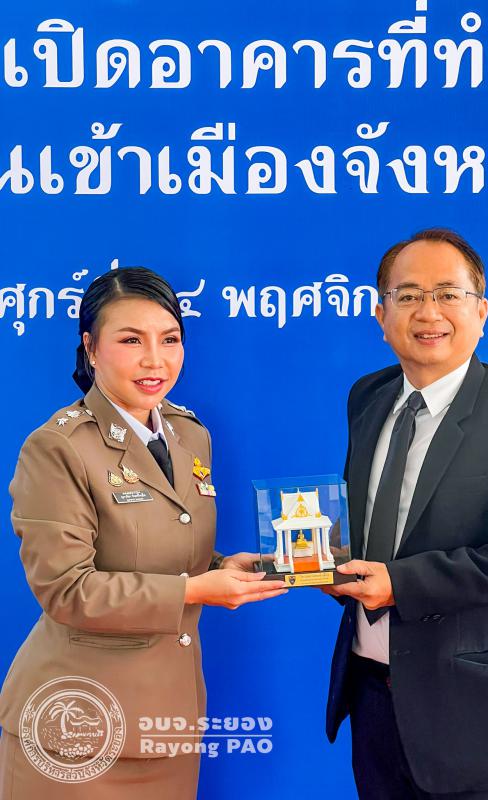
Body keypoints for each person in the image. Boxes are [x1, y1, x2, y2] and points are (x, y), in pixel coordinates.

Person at [0, 267, 287, 798]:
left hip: (167, 723)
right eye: (131, 340)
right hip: (75, 727)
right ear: (91, 348)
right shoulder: (59, 447)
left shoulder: (189, 434)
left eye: (170, 339)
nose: (156, 360)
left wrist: (221, 567)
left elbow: (166, 547)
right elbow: (67, 589)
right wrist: (195, 590)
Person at [324, 228, 488, 799]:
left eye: (447, 293)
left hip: (478, 710)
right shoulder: (367, 397)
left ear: (481, 311)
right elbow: (378, 518)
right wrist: (327, 559)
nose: (428, 312)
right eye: (409, 295)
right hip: (374, 697)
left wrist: (401, 583)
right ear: (381, 314)